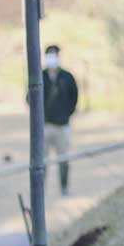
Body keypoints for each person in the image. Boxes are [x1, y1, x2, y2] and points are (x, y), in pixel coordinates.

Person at [43, 45, 79, 196]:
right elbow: (29, 98)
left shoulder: (67, 76)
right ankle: (41, 189)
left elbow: (74, 97)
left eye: (54, 55)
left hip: (62, 125)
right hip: (45, 125)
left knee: (63, 158)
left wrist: (67, 114)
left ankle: (64, 187)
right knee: (42, 160)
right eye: (50, 55)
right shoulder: (40, 75)